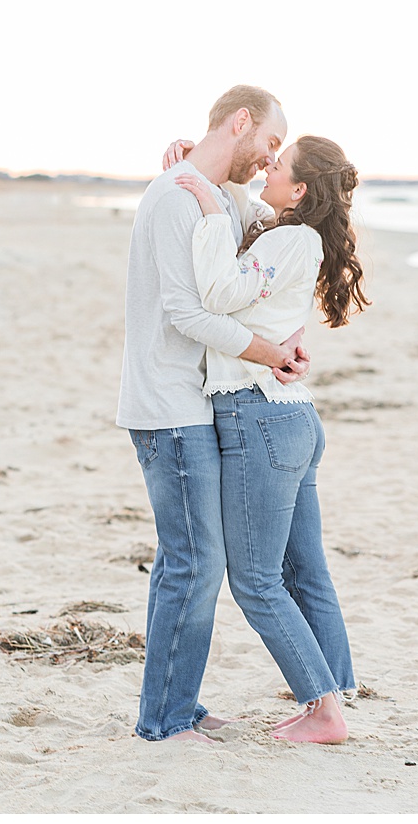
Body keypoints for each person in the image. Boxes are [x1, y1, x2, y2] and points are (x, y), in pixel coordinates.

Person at [116, 85, 311, 744]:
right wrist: (271, 354)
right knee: (193, 564)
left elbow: (264, 238)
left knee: (191, 562)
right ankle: (165, 720)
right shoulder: (177, 196)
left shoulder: (214, 193)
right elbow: (188, 313)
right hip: (169, 406)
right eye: (271, 142)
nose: (272, 158)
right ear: (241, 120)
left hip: (188, 402)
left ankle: (176, 703)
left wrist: (196, 158)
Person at [173, 133, 368, 744]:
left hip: (258, 416)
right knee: (304, 569)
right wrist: (206, 165)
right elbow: (249, 205)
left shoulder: (290, 238)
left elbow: (219, 294)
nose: (267, 169)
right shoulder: (291, 233)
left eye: (277, 166)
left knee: (256, 581)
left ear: (300, 189)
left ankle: (325, 711)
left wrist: (208, 211)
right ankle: (331, 695)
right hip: (288, 418)